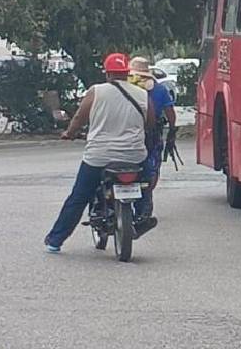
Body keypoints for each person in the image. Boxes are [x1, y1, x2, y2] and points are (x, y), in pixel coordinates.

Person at [45, 53, 156, 253]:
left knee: (79, 197)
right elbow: (150, 123)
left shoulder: (96, 92)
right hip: (134, 156)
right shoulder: (142, 95)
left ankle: (55, 240)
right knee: (146, 184)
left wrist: (69, 133)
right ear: (126, 73)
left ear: (108, 74)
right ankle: (141, 216)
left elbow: (79, 117)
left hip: (99, 157)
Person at [128, 57, 177, 221]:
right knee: (152, 166)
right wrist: (171, 131)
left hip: (126, 132)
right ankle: (146, 194)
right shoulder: (159, 89)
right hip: (151, 133)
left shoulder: (125, 88)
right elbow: (170, 114)